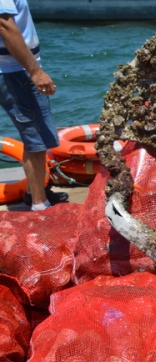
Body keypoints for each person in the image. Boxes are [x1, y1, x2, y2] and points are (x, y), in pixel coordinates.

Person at [0, 0, 66, 210]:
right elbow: (4, 25)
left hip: (13, 70)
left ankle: (33, 192)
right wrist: (35, 71)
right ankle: (39, 205)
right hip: (14, 72)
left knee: (35, 135)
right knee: (36, 138)